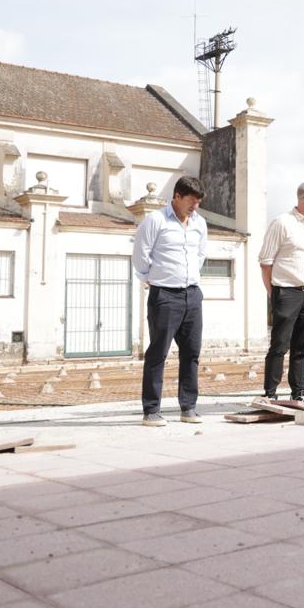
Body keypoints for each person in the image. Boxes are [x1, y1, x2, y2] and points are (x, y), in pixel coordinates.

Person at [133, 176, 208, 427]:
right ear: (177, 196)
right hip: (165, 295)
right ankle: (151, 410)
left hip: (193, 295)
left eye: (198, 202)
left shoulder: (200, 224)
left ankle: (188, 407)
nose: (194, 207)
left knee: (192, 353)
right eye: (191, 201)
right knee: (158, 352)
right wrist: (153, 280)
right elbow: (141, 256)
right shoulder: (156, 220)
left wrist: (189, 280)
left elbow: (200, 255)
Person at [258, 181, 304, 404]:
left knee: (302, 346)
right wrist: (274, 293)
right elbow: (266, 262)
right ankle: (270, 392)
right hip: (286, 292)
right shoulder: (282, 223)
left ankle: (299, 391)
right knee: (279, 344)